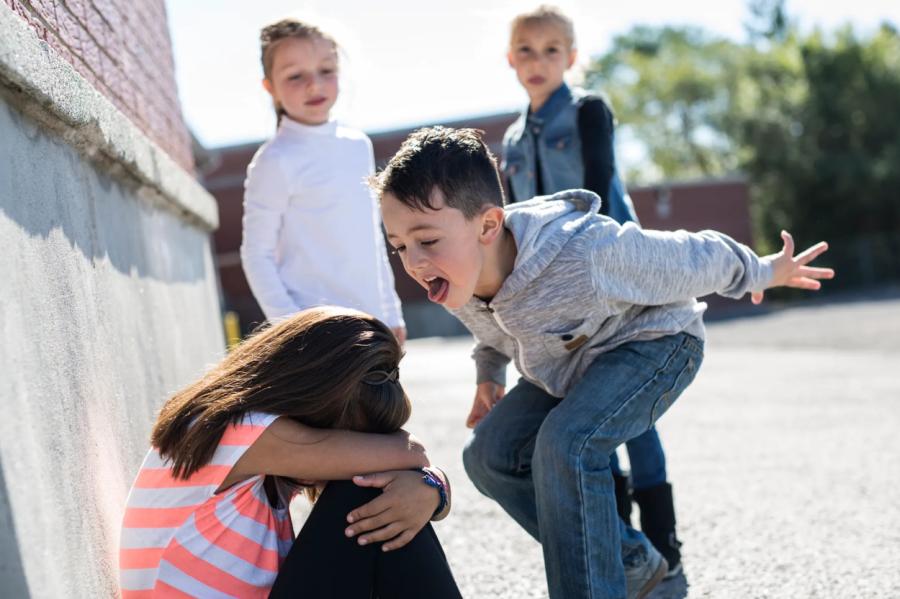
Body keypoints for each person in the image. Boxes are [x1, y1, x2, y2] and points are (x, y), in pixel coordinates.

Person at [374, 126, 833, 599]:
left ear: (488, 226)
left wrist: (762, 270)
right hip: (570, 365)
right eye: (399, 245)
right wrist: (488, 376)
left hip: (656, 344)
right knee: (488, 456)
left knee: (566, 443)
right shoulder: (456, 273)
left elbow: (694, 255)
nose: (413, 261)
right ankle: (629, 560)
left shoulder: (586, 253)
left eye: (426, 240)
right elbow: (492, 332)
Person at [500, 5, 681, 574]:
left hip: (615, 280)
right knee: (585, 411)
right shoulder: (510, 138)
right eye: (526, 50)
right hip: (555, 297)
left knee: (634, 415)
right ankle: (625, 546)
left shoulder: (587, 111)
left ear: (571, 58)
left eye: (552, 50)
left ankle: (664, 544)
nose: (538, 61)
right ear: (511, 59)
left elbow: (600, 191)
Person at [119, 306, 462, 598]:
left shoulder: (259, 452)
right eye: (346, 439)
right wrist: (432, 485)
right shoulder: (237, 429)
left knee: (383, 496)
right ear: (311, 397)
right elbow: (411, 452)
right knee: (363, 489)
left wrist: (431, 489)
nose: (353, 452)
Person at [241, 18, 406, 344]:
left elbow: (372, 238)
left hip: (373, 324)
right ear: (270, 87)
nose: (314, 85)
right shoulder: (274, 160)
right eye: (295, 76)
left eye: (326, 70)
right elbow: (255, 254)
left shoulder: (358, 145)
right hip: (316, 336)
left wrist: (391, 311)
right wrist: (293, 327)